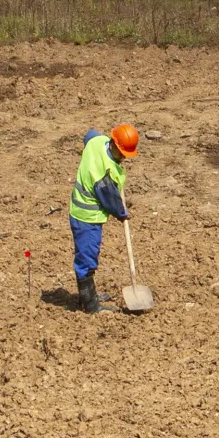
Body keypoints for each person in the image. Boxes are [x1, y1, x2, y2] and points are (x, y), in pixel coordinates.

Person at [68, 124, 141, 310]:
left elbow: (89, 134)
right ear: (114, 144)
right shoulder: (105, 175)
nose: (123, 158)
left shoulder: (97, 141)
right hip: (87, 217)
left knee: (87, 255)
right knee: (87, 258)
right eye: (121, 153)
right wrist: (122, 213)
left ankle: (89, 294)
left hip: (78, 209)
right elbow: (111, 202)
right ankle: (91, 305)